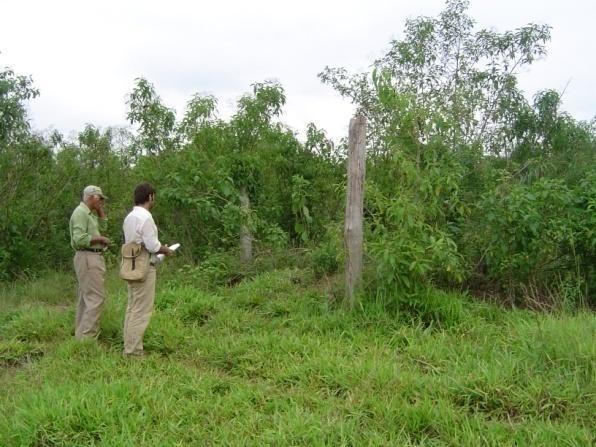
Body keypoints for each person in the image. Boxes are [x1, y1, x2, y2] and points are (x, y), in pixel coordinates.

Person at [122, 182, 174, 356]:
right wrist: (166, 249)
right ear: (150, 196)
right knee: (141, 311)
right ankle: (133, 353)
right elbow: (153, 245)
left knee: (132, 308)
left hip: (131, 264)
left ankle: (131, 348)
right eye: (154, 197)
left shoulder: (129, 217)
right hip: (144, 266)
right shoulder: (146, 217)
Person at [69, 185, 111, 340]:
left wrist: (100, 212)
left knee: (85, 299)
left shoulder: (90, 214)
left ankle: (81, 337)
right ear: (91, 197)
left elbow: (104, 227)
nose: (101, 202)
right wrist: (100, 239)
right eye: (99, 199)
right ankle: (89, 340)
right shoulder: (80, 213)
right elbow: (78, 239)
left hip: (91, 257)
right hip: (87, 257)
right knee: (95, 299)